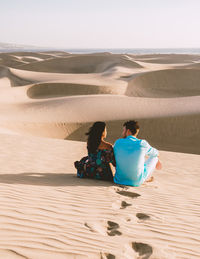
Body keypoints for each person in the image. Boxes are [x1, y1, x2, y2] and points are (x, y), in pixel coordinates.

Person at [113, 120, 162, 187]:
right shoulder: (142, 143)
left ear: (128, 131)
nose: (122, 132)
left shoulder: (118, 142)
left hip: (119, 180)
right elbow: (156, 153)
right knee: (155, 157)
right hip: (136, 182)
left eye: (123, 130)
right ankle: (146, 178)